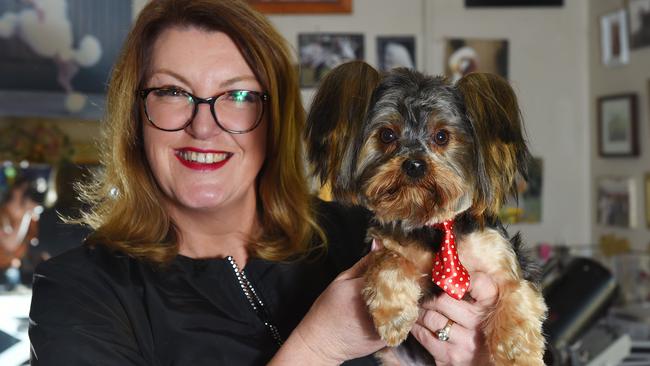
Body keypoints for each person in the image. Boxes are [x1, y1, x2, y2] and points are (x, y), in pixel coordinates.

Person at [28, 0, 498, 364]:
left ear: (275, 118)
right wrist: (318, 347)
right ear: (136, 116)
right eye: (173, 92)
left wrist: (477, 355)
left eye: (237, 95)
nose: (203, 126)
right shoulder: (77, 292)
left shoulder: (364, 235)